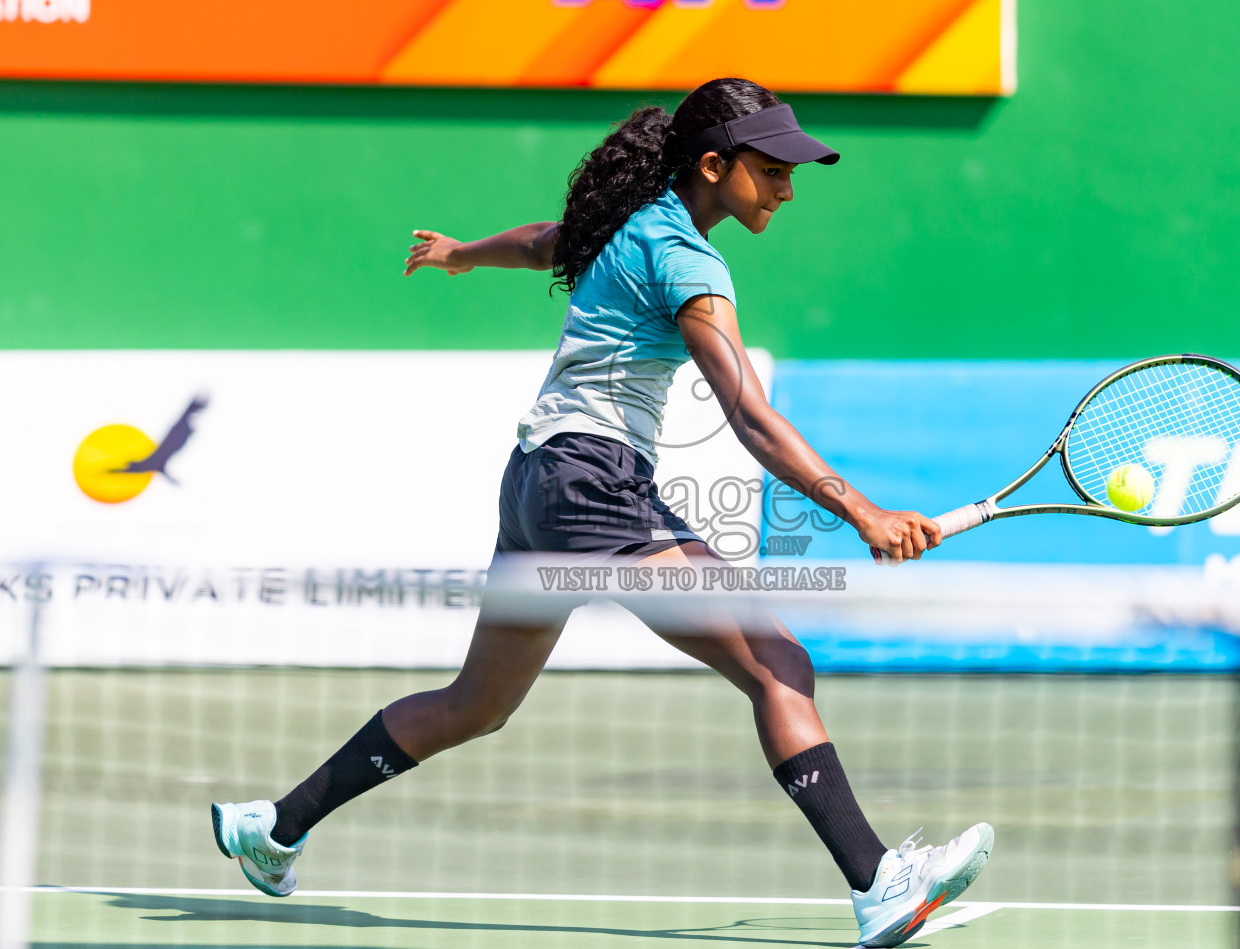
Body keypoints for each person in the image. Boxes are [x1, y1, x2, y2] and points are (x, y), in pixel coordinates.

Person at [210, 77, 993, 948]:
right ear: (714, 164)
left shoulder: (632, 217)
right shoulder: (694, 264)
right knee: (778, 665)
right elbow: (751, 416)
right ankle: (880, 883)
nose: (787, 188)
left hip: (533, 485)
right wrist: (863, 512)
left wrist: (463, 252)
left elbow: (545, 242)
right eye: (772, 170)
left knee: (477, 705)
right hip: (594, 485)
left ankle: (272, 828)